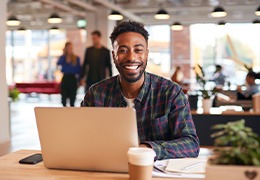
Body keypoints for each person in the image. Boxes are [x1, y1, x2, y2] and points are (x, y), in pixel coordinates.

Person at [81, 21, 199, 160]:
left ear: (147, 54)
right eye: (123, 50)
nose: (131, 57)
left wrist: (148, 149)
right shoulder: (96, 94)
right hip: (107, 171)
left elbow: (191, 144)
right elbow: (82, 139)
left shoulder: (171, 92)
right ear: (114, 56)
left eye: (138, 50)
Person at [57, 42, 81, 107]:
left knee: (72, 100)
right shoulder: (63, 57)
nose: (69, 49)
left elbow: (79, 71)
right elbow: (58, 63)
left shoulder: (76, 58)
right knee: (63, 99)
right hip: (65, 78)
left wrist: (79, 81)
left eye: (70, 48)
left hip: (73, 79)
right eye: (68, 48)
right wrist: (64, 54)